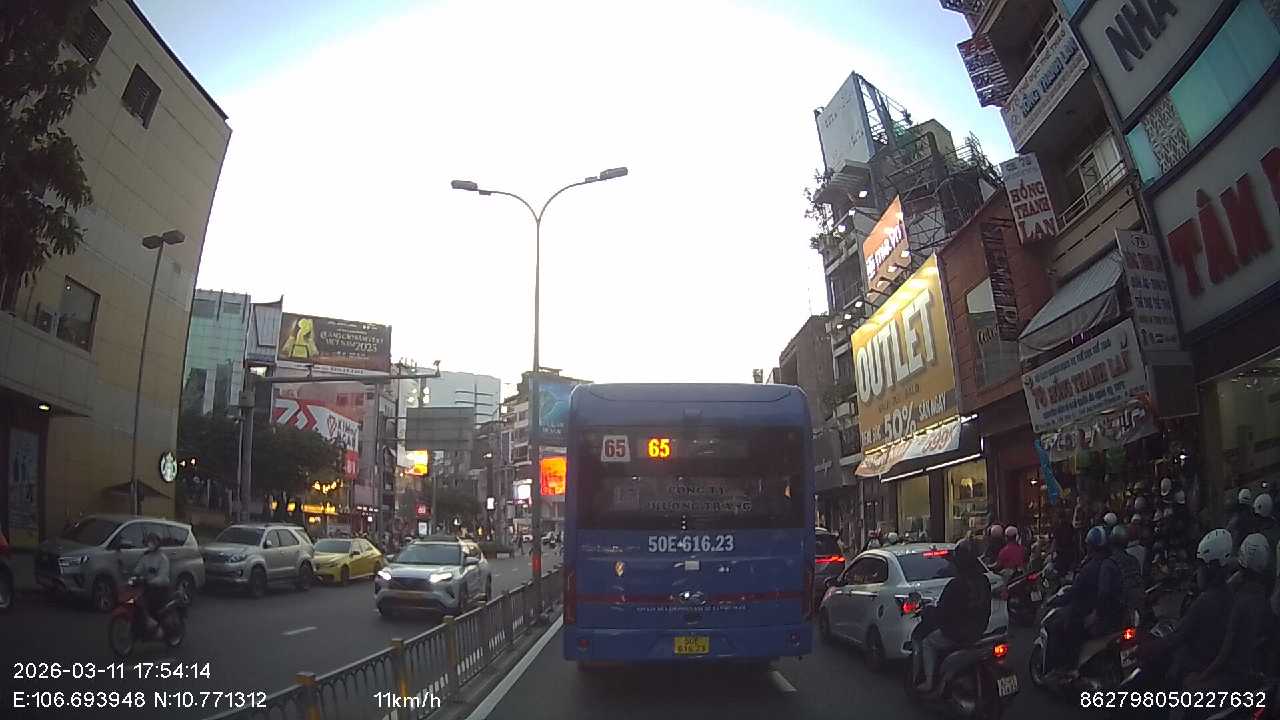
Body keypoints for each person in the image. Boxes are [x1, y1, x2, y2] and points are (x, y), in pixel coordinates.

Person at [1185, 533, 1272, 696]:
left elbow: (1225, 652)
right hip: (1255, 676)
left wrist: (1202, 677)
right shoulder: (1264, 601)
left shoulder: (1240, 602)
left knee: (1184, 698)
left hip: (1233, 677)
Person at [914, 539, 991, 695]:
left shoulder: (956, 585)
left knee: (928, 642)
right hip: (979, 630)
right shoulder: (983, 581)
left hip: (957, 634)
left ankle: (929, 682)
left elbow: (942, 612)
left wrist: (928, 612)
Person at [1162, 529, 1234, 687]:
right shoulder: (1228, 593)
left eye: (1201, 565)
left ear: (1212, 567)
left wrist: (1149, 648)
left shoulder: (1206, 601)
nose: (1198, 570)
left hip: (1200, 669)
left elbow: (1177, 636)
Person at [1051, 526, 1122, 677]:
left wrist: (1056, 601)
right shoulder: (1113, 563)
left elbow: (1074, 592)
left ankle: (1068, 668)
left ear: (1090, 546)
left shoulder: (1090, 568)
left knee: (1058, 627)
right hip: (1114, 614)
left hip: (1091, 612)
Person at [131, 532, 171, 640]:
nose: (150, 544)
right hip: (148, 587)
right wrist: (133, 575)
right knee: (137, 601)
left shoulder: (163, 558)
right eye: (149, 541)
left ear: (158, 543)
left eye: (153, 541)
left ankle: (156, 627)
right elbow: (138, 569)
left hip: (160, 588)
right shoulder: (146, 557)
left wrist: (151, 582)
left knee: (150, 604)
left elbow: (162, 576)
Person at [1109, 524, 1144, 620]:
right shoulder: (1134, 559)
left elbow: (1104, 592)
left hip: (1119, 608)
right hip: (1136, 603)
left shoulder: (1110, 563)